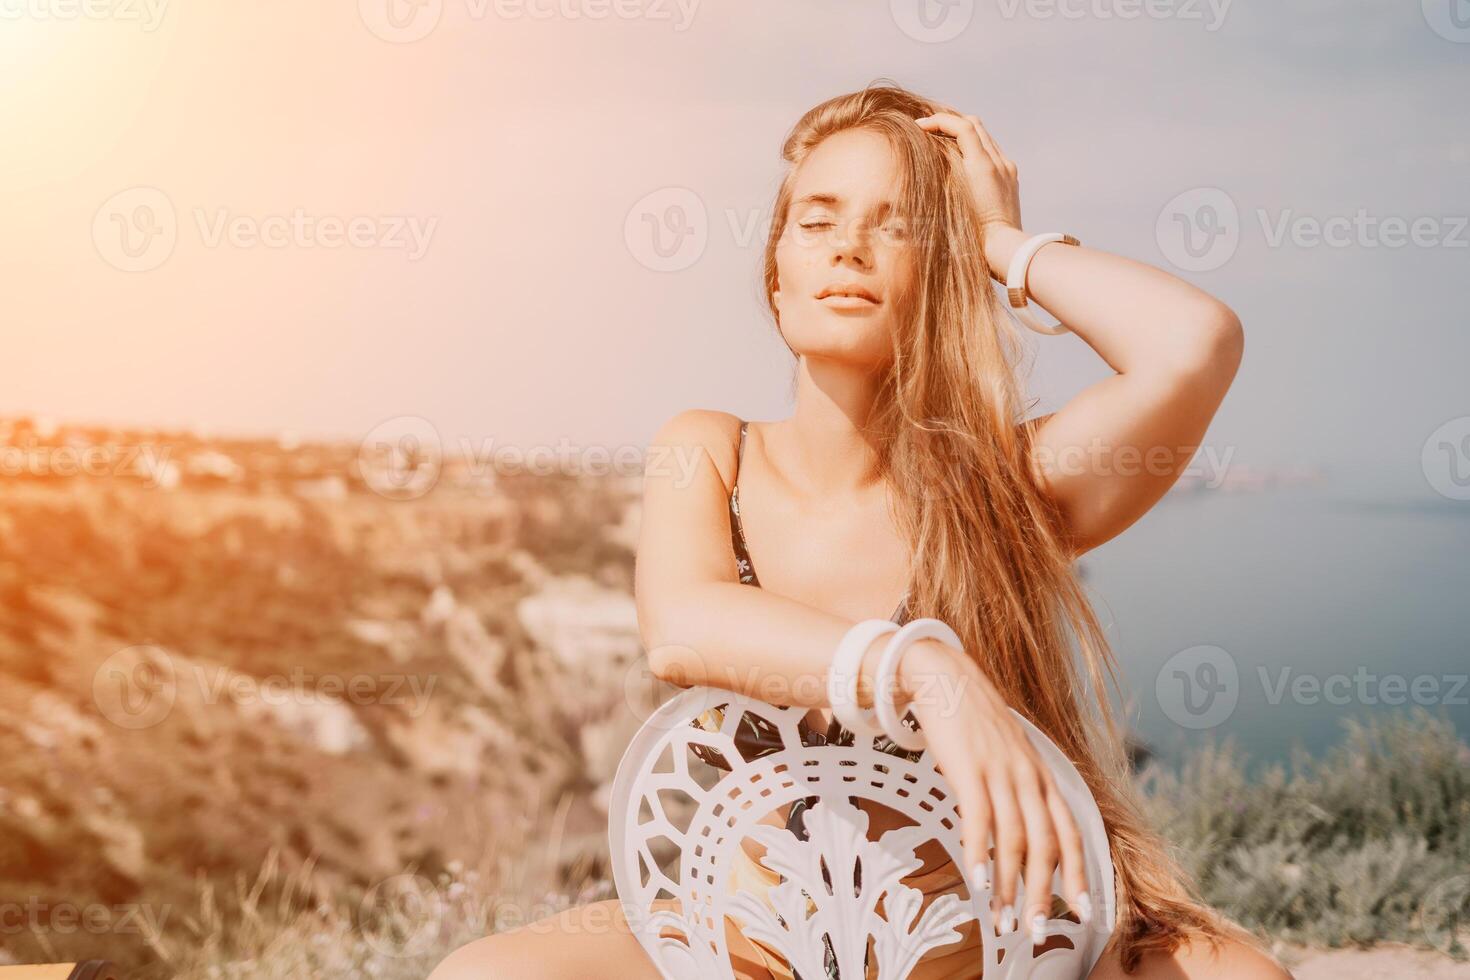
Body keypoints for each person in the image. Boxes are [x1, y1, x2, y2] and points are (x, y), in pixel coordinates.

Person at [430, 80, 1293, 979]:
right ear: (775, 272)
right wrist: (922, 667)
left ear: (942, 271)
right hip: (748, 944)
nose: (849, 246)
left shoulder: (1009, 487)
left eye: (898, 224)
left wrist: (998, 243)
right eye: (816, 221)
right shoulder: (709, 452)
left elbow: (1194, 343)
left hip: (988, 952)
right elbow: (679, 626)